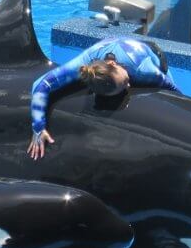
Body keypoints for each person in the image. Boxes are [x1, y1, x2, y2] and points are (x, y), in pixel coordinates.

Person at [27, 37, 178, 161]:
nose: (130, 85)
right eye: (124, 85)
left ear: (112, 64)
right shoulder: (86, 63)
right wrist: (38, 129)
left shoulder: (145, 70)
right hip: (114, 51)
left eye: (125, 82)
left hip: (149, 54)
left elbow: (174, 91)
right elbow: (41, 84)